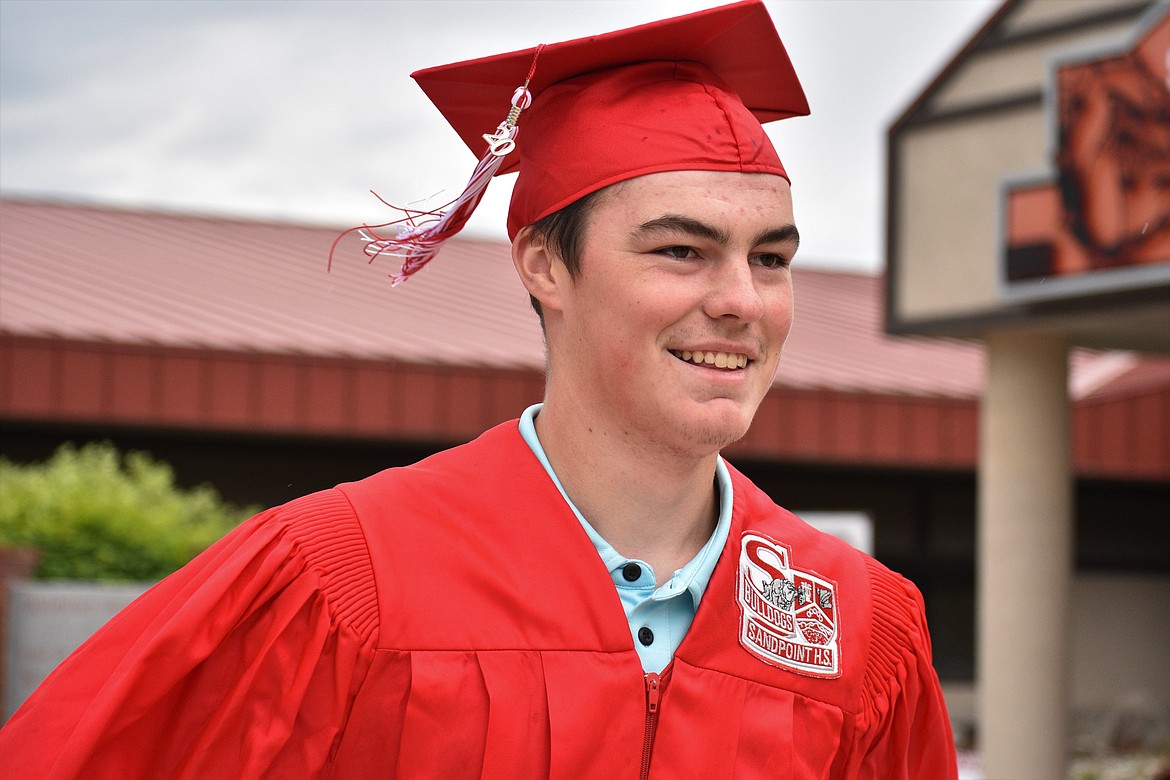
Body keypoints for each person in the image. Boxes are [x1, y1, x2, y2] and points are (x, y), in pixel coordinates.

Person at [0, 1, 958, 777]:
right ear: (543, 262)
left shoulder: (863, 628)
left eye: (771, 258)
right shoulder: (336, 580)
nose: (741, 302)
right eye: (681, 250)